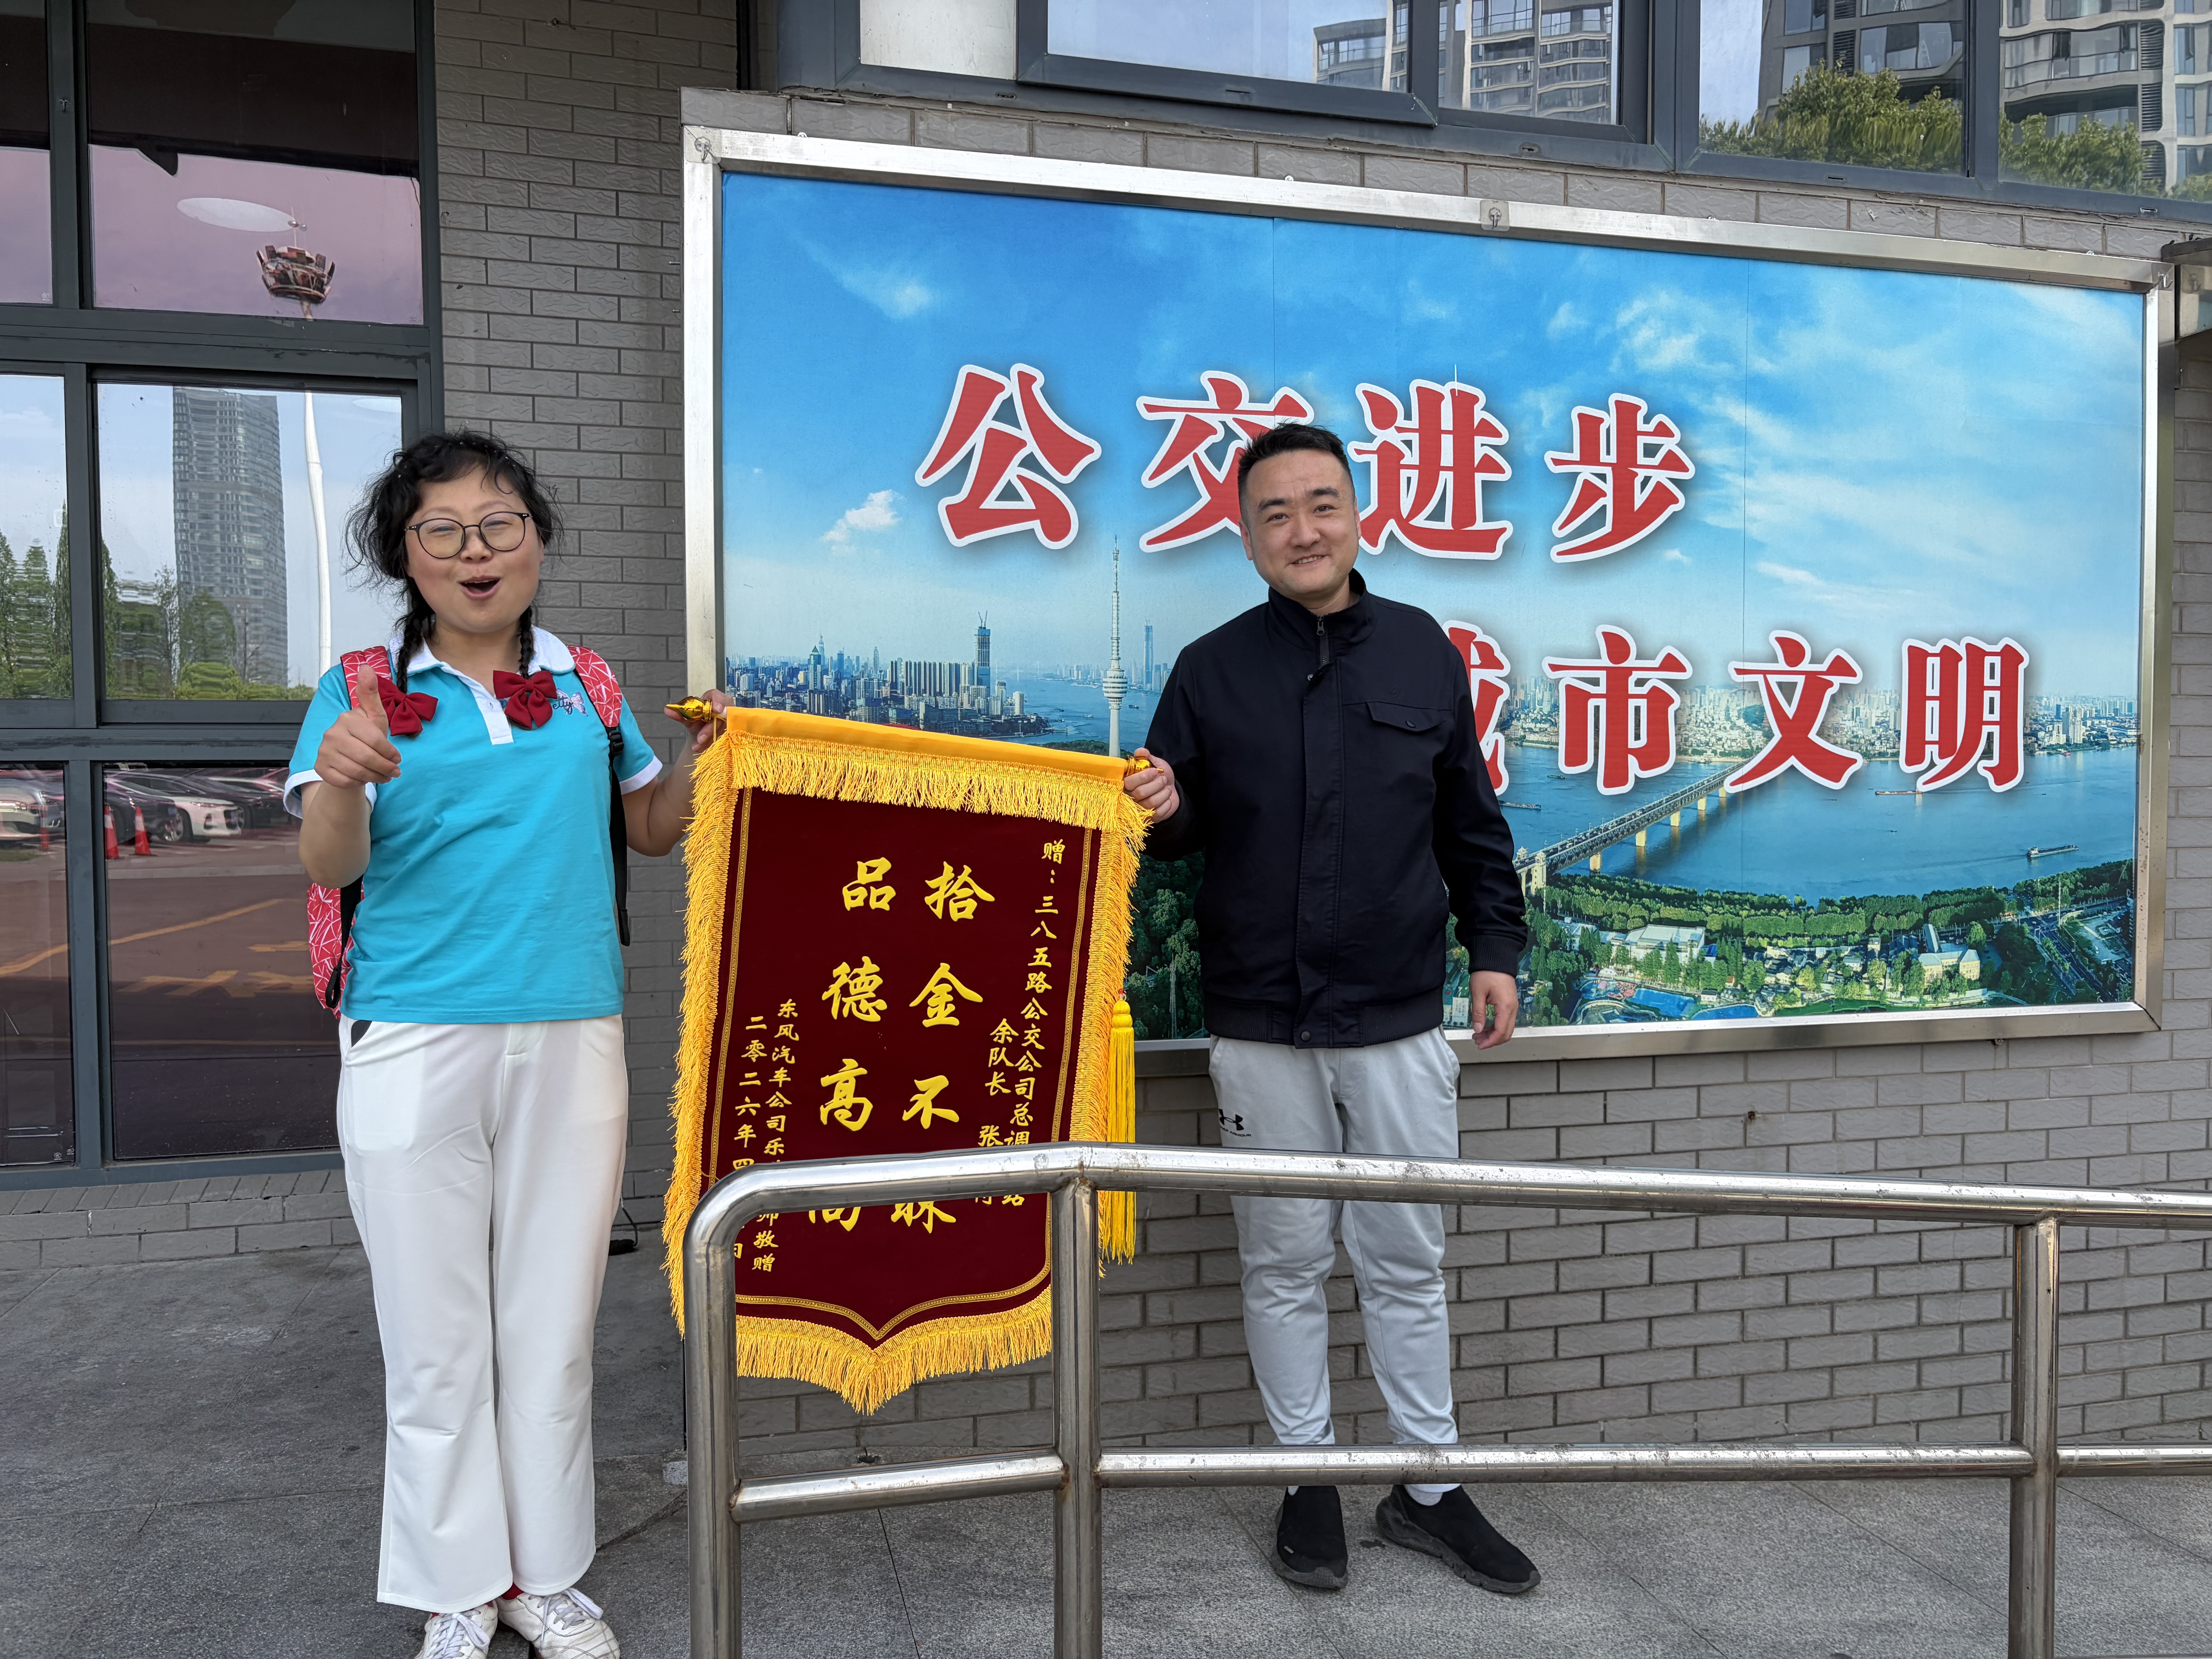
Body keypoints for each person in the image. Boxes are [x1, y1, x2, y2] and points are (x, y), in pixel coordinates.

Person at [290, 432, 726, 1659]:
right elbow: (329, 858)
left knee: (552, 1322)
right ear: (406, 556)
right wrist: (341, 775)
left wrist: (704, 762)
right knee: (435, 1337)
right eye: (442, 529)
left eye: (500, 524)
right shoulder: (357, 686)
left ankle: (545, 1576)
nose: (475, 551)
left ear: (536, 539)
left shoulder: (588, 682)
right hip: (414, 1033)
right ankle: (456, 1584)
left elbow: (650, 827)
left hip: (572, 1029)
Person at [1124, 422, 1536, 1597]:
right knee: (1285, 1257)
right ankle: (1305, 1474)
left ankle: (1428, 1485)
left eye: (1322, 505)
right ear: (1245, 532)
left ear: (1359, 514)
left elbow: (1470, 822)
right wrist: (1163, 803)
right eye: (1275, 513)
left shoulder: (1422, 650)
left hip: (1399, 1016)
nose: (1302, 531)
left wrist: (1496, 948)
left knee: (1406, 1253)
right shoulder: (1208, 669)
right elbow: (1178, 834)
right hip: (1261, 1021)